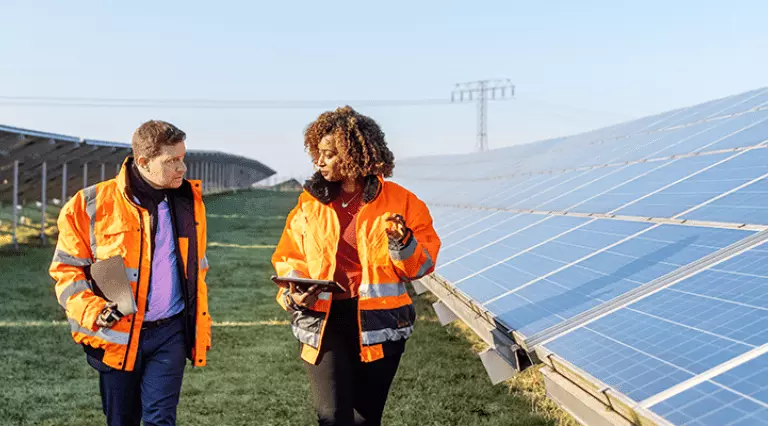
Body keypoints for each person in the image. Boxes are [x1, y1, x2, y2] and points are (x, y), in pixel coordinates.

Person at [272, 106, 441, 426]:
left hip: (380, 324)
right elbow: (289, 255)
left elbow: (420, 267)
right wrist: (296, 292)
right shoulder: (310, 202)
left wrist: (402, 242)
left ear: (354, 156)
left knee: (365, 419)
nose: (318, 161)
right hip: (322, 320)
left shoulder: (403, 202)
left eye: (329, 154)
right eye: (317, 153)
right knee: (332, 417)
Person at [49, 120, 212, 426]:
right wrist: (95, 310)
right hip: (117, 336)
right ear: (143, 162)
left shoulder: (190, 202)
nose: (183, 168)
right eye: (172, 161)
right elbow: (67, 270)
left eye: (183, 158)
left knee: (161, 419)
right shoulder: (88, 205)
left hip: (170, 333)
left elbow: (195, 267)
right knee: (121, 420)